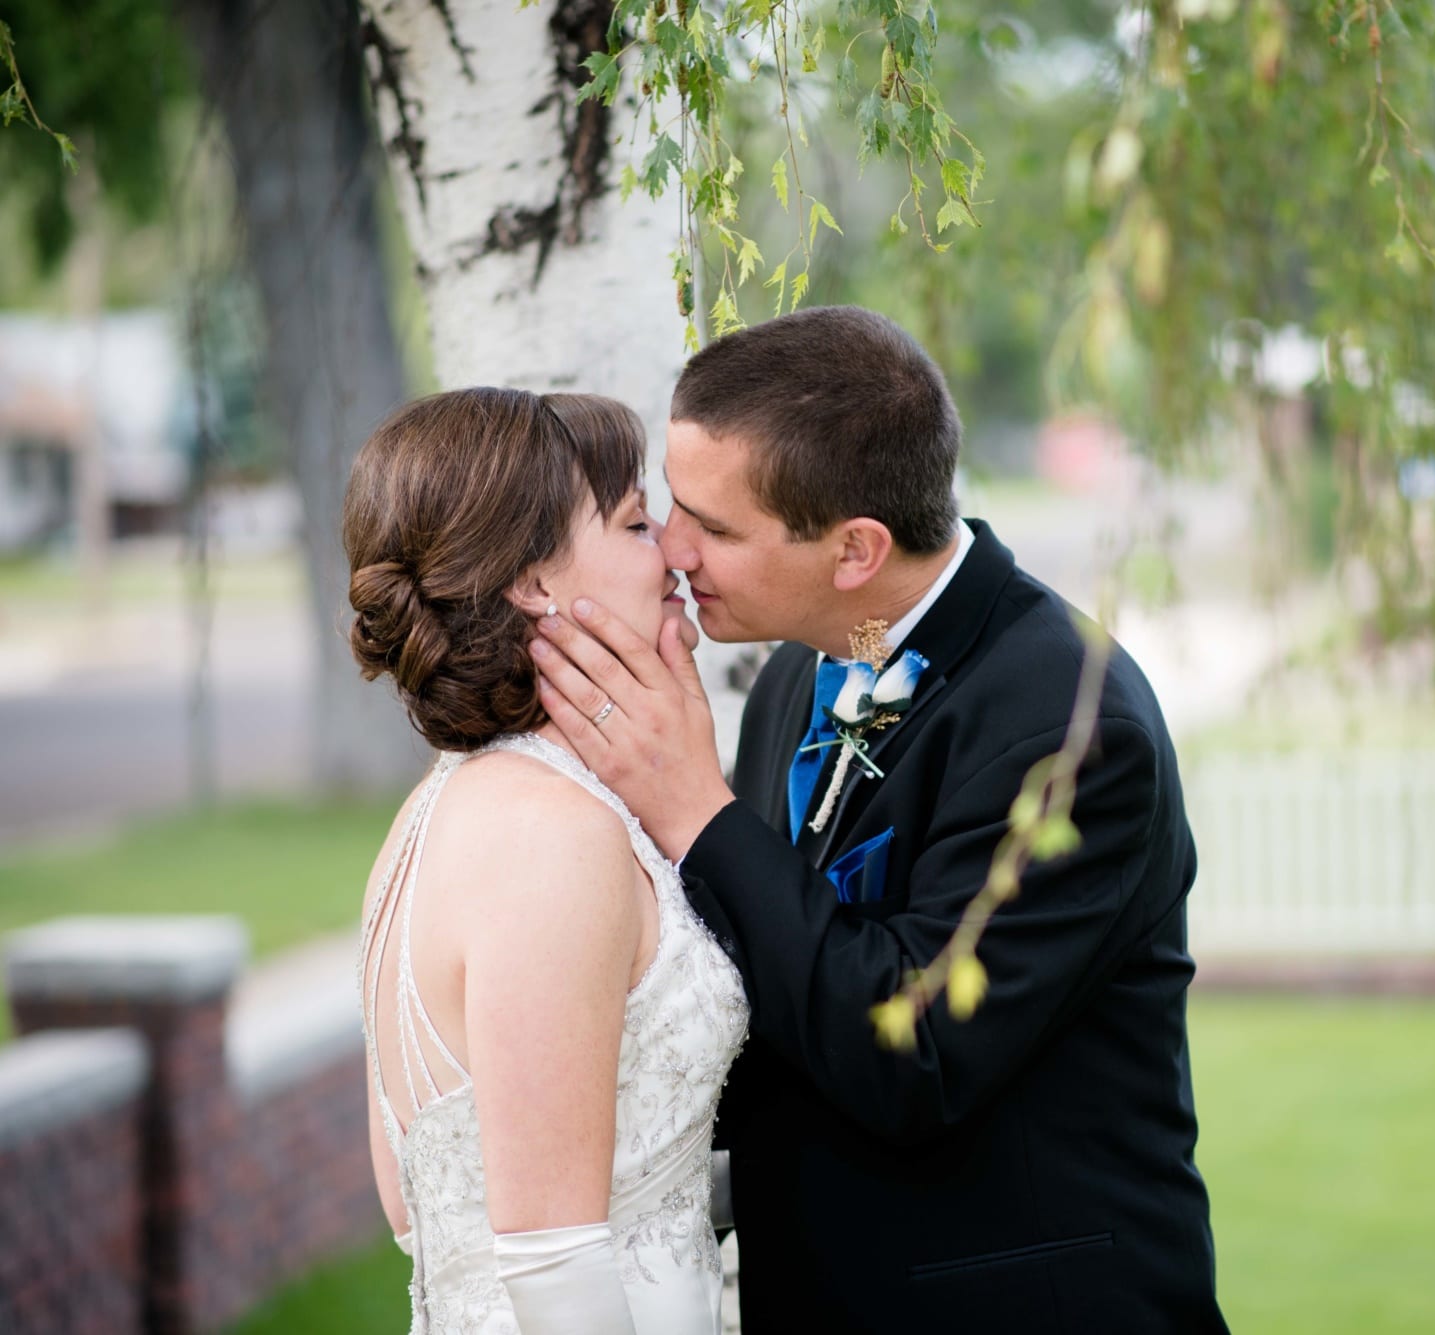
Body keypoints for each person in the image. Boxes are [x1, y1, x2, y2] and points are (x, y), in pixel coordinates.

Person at [533, 305, 1228, 1334]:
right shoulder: (795, 672)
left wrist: (695, 812)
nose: (673, 548)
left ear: (855, 549)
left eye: (714, 527)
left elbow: (915, 1056)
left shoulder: (1070, 732)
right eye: (674, 508)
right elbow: (762, 980)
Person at [344, 388, 747, 1334]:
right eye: (637, 522)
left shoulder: (432, 812)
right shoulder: (548, 837)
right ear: (533, 583)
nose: (672, 554)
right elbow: (554, 1261)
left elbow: (417, 1203)